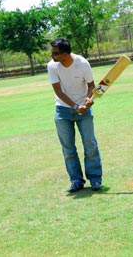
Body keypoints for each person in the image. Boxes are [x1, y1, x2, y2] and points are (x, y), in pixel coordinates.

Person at [47, 37, 102, 193]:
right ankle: (76, 180)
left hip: (84, 110)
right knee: (68, 148)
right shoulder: (52, 66)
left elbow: (91, 85)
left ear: (65, 54)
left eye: (55, 53)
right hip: (62, 110)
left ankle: (95, 179)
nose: (52, 56)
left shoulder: (82, 63)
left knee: (90, 144)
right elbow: (58, 91)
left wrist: (88, 100)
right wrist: (76, 106)